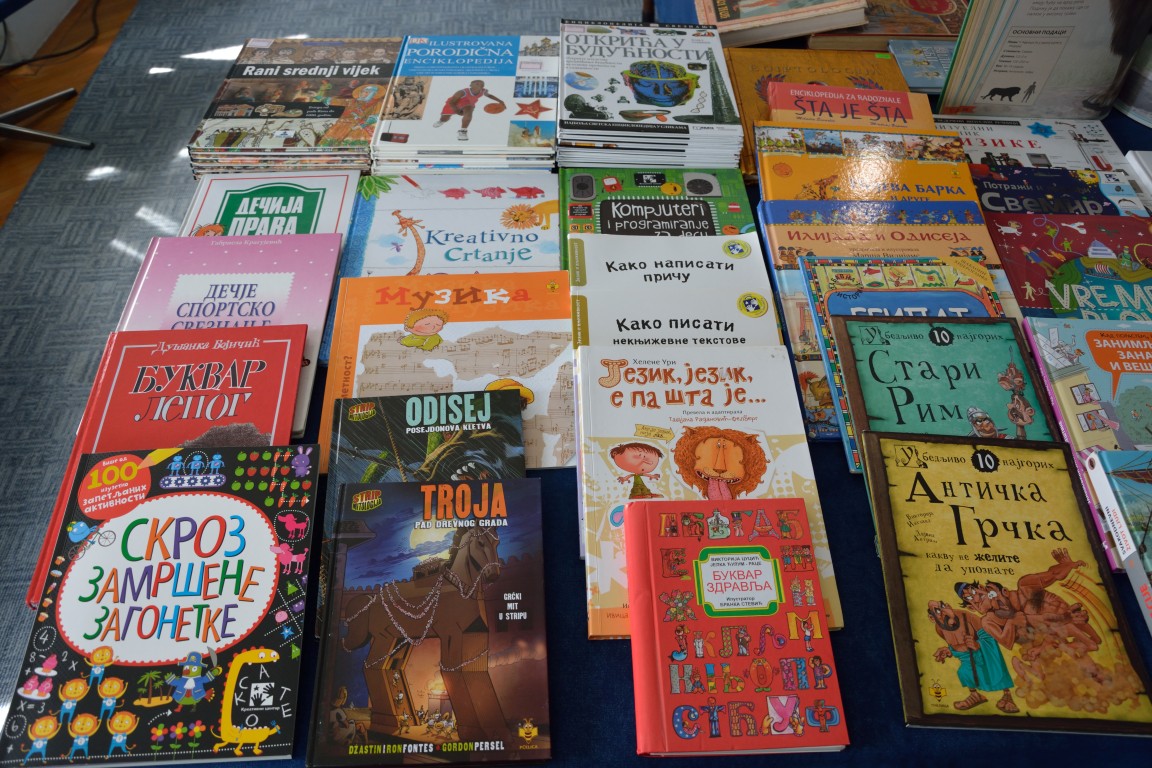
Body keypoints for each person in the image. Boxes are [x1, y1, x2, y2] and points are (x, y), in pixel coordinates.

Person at [432, 79, 505, 141]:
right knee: (444, 118)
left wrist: (500, 101)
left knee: (469, 112)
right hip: (454, 103)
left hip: (468, 103)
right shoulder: (461, 92)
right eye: (477, 83)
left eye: (482, 84)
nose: (480, 85)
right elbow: (452, 102)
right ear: (470, 85)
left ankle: (463, 131)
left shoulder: (484, 91)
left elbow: (489, 95)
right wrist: (457, 111)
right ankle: (441, 121)